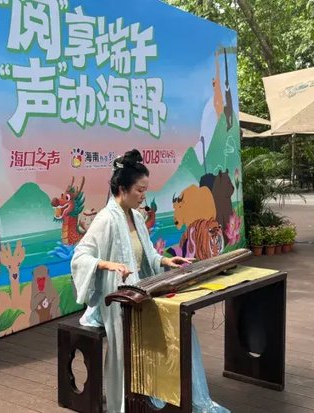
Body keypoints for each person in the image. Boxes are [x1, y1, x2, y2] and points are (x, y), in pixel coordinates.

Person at [71, 149, 229, 413]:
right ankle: (142, 398)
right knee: (165, 327)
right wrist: (108, 264)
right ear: (122, 189)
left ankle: (171, 394)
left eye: (145, 190)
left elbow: (147, 255)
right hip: (119, 298)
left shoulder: (135, 216)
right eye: (140, 190)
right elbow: (80, 257)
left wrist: (165, 261)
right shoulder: (106, 219)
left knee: (182, 323)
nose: (144, 196)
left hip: (140, 290)